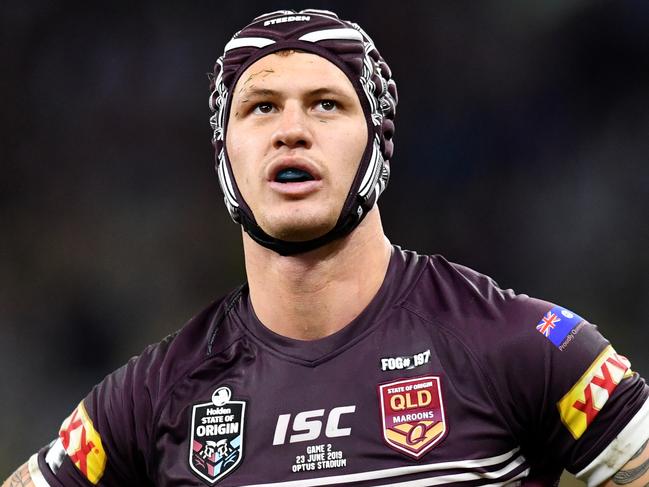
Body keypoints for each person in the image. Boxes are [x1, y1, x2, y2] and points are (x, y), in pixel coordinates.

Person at [3, 8, 648, 487]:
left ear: (378, 141)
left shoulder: (520, 345)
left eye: (326, 105)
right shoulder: (152, 397)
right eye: (259, 108)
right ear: (224, 151)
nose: (291, 131)